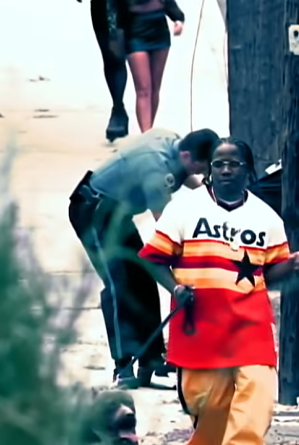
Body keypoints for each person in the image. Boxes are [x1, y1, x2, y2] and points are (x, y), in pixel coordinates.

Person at [138, 137, 299, 444]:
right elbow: (153, 260)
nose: (226, 170)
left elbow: (268, 272)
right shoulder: (183, 208)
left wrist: (292, 264)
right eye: (219, 164)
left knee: (256, 396)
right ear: (209, 170)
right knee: (211, 410)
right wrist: (175, 288)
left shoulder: (267, 218)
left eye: (234, 164)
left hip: (250, 323)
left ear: (249, 171)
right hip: (200, 325)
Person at [68, 128, 219, 388]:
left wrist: (206, 189)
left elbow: (183, 176)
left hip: (116, 210)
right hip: (93, 211)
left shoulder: (171, 142)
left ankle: (150, 358)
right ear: (187, 155)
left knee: (143, 277)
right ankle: (122, 365)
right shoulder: (154, 171)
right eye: (200, 169)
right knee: (119, 284)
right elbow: (166, 228)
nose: (200, 175)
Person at [111, 0, 185, 134]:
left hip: (159, 30)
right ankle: (146, 133)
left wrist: (178, 20)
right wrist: (115, 38)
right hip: (135, 31)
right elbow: (116, 13)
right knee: (143, 89)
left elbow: (170, 5)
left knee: (155, 88)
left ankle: (149, 127)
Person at [81, 0, 130, 142]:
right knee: (109, 57)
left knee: (118, 56)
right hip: (102, 7)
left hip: (130, 6)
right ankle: (118, 108)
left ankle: (118, 111)